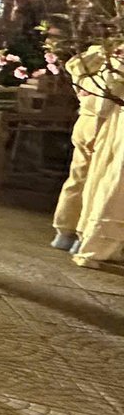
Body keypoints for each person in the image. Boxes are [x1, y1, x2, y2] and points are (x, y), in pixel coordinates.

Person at [55, 44, 124, 260]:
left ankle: (65, 230)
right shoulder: (111, 58)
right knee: (95, 180)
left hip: (86, 120)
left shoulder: (94, 55)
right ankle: (82, 233)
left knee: (79, 176)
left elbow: (77, 71)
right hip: (102, 125)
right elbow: (106, 101)